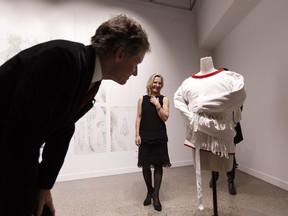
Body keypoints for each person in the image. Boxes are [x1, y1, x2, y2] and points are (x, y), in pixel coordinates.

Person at [0, 14, 150, 216]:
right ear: (120, 53)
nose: (135, 73)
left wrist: (44, 185)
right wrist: (30, 194)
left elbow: (62, 130)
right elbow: (22, 138)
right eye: (136, 63)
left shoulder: (88, 76)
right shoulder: (62, 59)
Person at [174, 56, 246, 209]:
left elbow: (239, 96)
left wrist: (199, 105)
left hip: (223, 143)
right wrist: (195, 117)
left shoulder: (231, 78)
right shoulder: (187, 83)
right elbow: (178, 102)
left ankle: (230, 181)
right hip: (199, 142)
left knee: (227, 167)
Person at [135, 73, 171, 212]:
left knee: (158, 165)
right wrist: (137, 134)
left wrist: (157, 105)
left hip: (159, 136)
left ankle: (156, 196)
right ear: (150, 83)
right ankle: (149, 191)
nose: (157, 85)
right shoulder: (141, 99)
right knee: (145, 166)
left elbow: (165, 117)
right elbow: (138, 117)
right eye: (155, 82)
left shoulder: (164, 99)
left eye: (159, 83)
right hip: (145, 136)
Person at [209, 105, 244, 195]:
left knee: (231, 154)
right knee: (215, 152)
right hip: (218, 125)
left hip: (231, 126)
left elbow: (239, 108)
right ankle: (215, 176)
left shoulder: (235, 93)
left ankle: (231, 181)